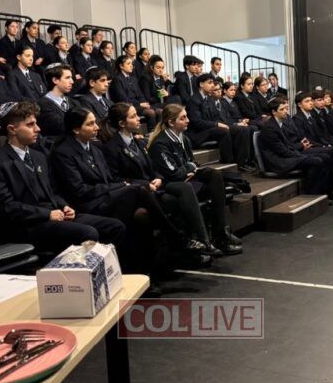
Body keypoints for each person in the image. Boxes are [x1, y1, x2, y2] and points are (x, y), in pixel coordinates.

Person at [50, 108, 183, 278]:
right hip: (88, 206)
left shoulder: (95, 149)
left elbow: (109, 181)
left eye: (95, 122)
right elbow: (80, 191)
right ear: (76, 129)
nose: (96, 127)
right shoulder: (64, 153)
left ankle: (146, 271)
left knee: (142, 215)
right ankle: (175, 238)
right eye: (90, 124)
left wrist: (114, 186)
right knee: (139, 190)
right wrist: (116, 186)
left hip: (106, 199)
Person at [0, 101, 124, 254]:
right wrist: (47, 214)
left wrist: (64, 206)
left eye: (36, 123)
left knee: (115, 226)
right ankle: (81, 276)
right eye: (30, 125)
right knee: (88, 233)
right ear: (12, 129)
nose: (38, 129)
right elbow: (6, 207)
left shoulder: (39, 156)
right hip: (24, 225)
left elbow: (53, 192)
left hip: (52, 216)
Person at [101, 103, 214, 261]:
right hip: (136, 193)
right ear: (122, 123)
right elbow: (116, 179)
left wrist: (158, 177)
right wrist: (146, 183)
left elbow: (152, 167)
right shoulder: (111, 148)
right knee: (176, 197)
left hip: (154, 187)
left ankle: (200, 243)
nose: (139, 118)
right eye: (133, 116)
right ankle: (186, 245)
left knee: (184, 191)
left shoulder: (139, 142)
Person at [147, 104, 242, 255]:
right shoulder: (160, 143)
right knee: (194, 183)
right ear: (171, 122)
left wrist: (189, 168)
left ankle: (220, 233)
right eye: (183, 118)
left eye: (187, 117)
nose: (188, 121)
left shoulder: (184, 138)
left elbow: (192, 164)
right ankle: (204, 240)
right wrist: (189, 169)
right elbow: (174, 174)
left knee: (214, 175)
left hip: (186, 178)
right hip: (170, 184)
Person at [258, 97, 333, 200]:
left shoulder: (280, 123)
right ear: (274, 112)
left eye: (286, 108)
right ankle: (312, 194)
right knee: (317, 160)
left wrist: (300, 150)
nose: (285, 111)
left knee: (325, 157)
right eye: (282, 109)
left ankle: (325, 191)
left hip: (288, 154)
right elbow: (281, 151)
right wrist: (300, 154)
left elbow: (288, 145)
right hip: (279, 161)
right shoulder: (270, 127)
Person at [185, 73, 238, 166]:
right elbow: (197, 123)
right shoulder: (193, 100)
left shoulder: (209, 99)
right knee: (223, 131)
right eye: (209, 83)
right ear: (201, 84)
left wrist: (232, 124)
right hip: (197, 134)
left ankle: (240, 160)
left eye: (213, 83)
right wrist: (216, 124)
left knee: (237, 129)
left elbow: (215, 116)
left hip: (207, 129)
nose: (213, 85)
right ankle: (227, 162)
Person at [37, 63, 83, 142]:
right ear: (55, 80)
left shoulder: (75, 102)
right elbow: (61, 128)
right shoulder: (42, 104)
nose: (72, 81)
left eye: (71, 78)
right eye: (67, 78)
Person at [110, 55, 157, 128]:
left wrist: (144, 103)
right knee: (151, 113)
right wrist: (140, 105)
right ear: (121, 66)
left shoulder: (133, 78)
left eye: (132, 64)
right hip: (127, 106)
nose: (131, 66)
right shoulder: (117, 79)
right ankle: (150, 134)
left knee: (159, 111)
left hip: (138, 105)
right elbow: (122, 99)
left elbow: (140, 94)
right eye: (128, 64)